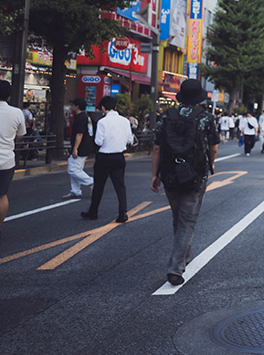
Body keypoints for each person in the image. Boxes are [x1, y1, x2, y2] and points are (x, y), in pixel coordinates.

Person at [150, 79, 220, 286]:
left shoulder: (166, 116)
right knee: (187, 220)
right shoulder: (206, 118)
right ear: (198, 98)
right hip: (195, 174)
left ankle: (184, 255)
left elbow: (156, 147)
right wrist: (211, 164)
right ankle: (175, 268)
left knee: (178, 216)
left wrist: (155, 174)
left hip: (170, 172)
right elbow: (214, 146)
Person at [82, 96, 133, 223]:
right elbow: (129, 139)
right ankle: (122, 213)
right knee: (120, 186)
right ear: (115, 107)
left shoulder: (102, 122)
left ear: (103, 108)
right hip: (119, 156)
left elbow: (98, 141)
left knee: (99, 185)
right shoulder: (125, 121)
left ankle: (93, 212)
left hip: (104, 157)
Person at [0, 80, 27, 240]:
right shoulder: (17, 113)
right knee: (0, 195)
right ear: (9, 96)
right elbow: (20, 135)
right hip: (5, 162)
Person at [63, 98, 95, 199]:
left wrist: (75, 148)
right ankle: (75, 191)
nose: (71, 107)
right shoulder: (86, 117)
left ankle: (92, 182)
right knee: (76, 167)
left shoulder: (80, 118)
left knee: (72, 169)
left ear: (77, 106)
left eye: (73, 105)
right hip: (87, 145)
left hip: (81, 146)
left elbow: (79, 134)